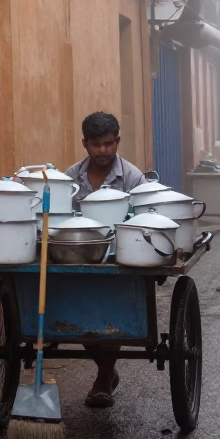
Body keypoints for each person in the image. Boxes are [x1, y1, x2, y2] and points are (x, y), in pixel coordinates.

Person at [64, 111, 147, 408]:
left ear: (117, 141)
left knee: (112, 317)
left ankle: (102, 381)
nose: (104, 151)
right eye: (97, 144)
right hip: (80, 258)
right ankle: (107, 371)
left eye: (109, 144)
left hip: (120, 263)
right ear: (85, 143)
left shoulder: (133, 177)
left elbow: (146, 220)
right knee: (80, 317)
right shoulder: (70, 177)